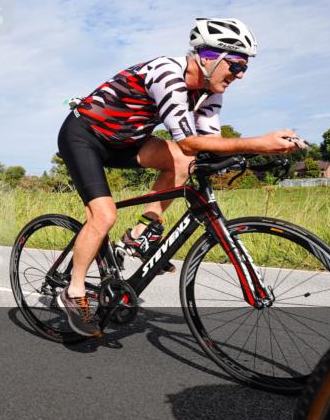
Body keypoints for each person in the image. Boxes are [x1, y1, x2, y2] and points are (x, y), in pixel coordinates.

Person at [56, 18, 305, 337]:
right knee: (103, 216)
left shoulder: (209, 92)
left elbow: (207, 147)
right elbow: (189, 140)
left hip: (128, 141)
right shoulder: (167, 74)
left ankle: (141, 233)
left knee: (184, 162)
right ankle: (74, 290)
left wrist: (264, 153)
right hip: (85, 136)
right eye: (237, 63)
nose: (241, 74)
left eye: (246, 66)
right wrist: (257, 142)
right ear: (208, 57)